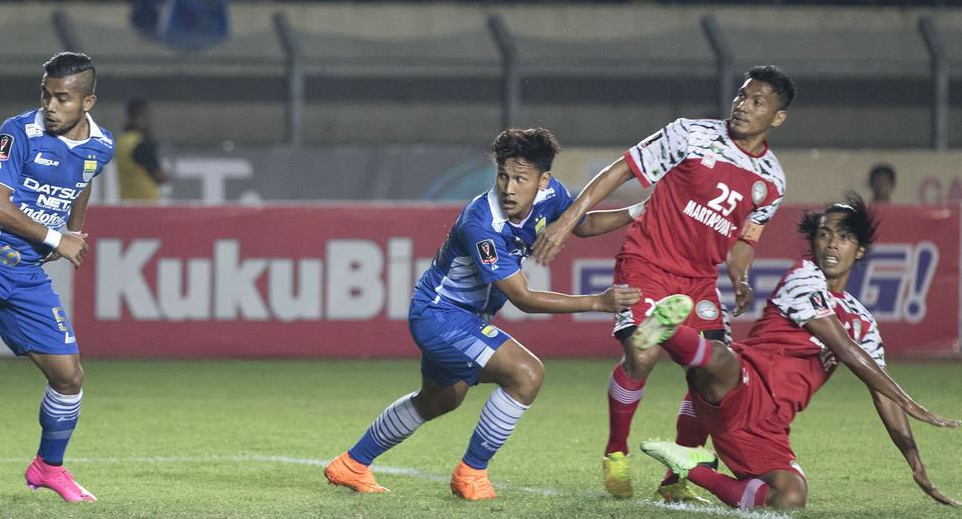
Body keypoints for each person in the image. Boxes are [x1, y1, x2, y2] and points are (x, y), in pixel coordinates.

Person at [324, 128, 642, 500]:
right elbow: (522, 297)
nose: (508, 188)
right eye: (503, 176)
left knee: (439, 400)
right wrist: (597, 302)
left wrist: (636, 211)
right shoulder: (482, 223)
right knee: (526, 374)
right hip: (441, 316)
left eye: (520, 178)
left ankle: (352, 464)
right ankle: (471, 474)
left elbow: (582, 224)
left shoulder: (552, 195)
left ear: (544, 180)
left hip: (464, 318)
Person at [531, 65, 796, 503]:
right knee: (642, 351)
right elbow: (620, 170)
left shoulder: (773, 180)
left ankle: (678, 479)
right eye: (741, 96)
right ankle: (616, 451)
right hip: (647, 262)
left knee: (709, 375)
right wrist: (566, 221)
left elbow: (746, 236)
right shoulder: (689, 134)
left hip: (700, 282)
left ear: (778, 117)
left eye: (757, 101)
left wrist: (741, 275)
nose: (742, 106)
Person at [637, 193, 959, 509]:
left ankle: (690, 466)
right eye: (824, 234)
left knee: (791, 497)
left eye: (844, 237)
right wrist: (911, 401)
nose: (832, 243)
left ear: (859, 250)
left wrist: (915, 462)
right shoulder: (804, 276)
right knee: (720, 357)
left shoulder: (863, 321)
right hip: (742, 386)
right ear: (814, 241)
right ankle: (664, 330)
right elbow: (845, 349)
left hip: (769, 426)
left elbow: (882, 393)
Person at [0, 52, 114, 505]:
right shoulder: (18, 131)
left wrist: (72, 231)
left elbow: (82, 179)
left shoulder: (102, 145)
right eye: (46, 94)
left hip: (25, 270)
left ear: (87, 101)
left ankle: (48, 468)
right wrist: (57, 237)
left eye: (63, 98)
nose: (51, 106)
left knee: (69, 378)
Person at [116, 97, 170, 201]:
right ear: (139, 116)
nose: (150, 121)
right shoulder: (141, 144)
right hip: (146, 205)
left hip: (126, 204)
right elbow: (160, 177)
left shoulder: (122, 141)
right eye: (147, 116)